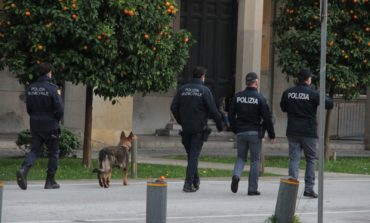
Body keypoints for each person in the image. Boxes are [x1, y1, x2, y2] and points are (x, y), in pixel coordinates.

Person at [280, 69, 333, 198]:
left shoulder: (288, 92)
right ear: (308, 79)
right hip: (308, 132)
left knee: (294, 159)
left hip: (292, 131)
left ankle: (291, 188)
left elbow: (283, 108)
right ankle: (309, 188)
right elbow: (329, 104)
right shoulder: (313, 93)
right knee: (310, 159)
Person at [171, 66, 223, 192]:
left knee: (191, 155)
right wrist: (220, 126)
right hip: (199, 128)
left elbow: (173, 107)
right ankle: (188, 184)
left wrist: (181, 121)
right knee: (193, 156)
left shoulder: (182, 89)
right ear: (202, 77)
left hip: (186, 128)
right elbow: (213, 110)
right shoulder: (204, 90)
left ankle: (195, 180)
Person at [16, 62, 64, 190]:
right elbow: (59, 109)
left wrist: (36, 117)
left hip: (35, 123)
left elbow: (29, 108)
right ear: (49, 73)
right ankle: (50, 181)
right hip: (50, 124)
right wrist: (56, 119)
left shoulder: (31, 88)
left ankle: (24, 169)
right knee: (54, 152)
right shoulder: (53, 88)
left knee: (35, 150)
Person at [229, 72, 276, 195]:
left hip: (241, 132)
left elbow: (230, 114)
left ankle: (236, 175)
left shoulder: (238, 96)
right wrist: (272, 134)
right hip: (254, 132)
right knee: (255, 160)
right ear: (256, 82)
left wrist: (235, 128)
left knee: (240, 157)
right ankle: (252, 188)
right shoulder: (260, 98)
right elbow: (267, 117)